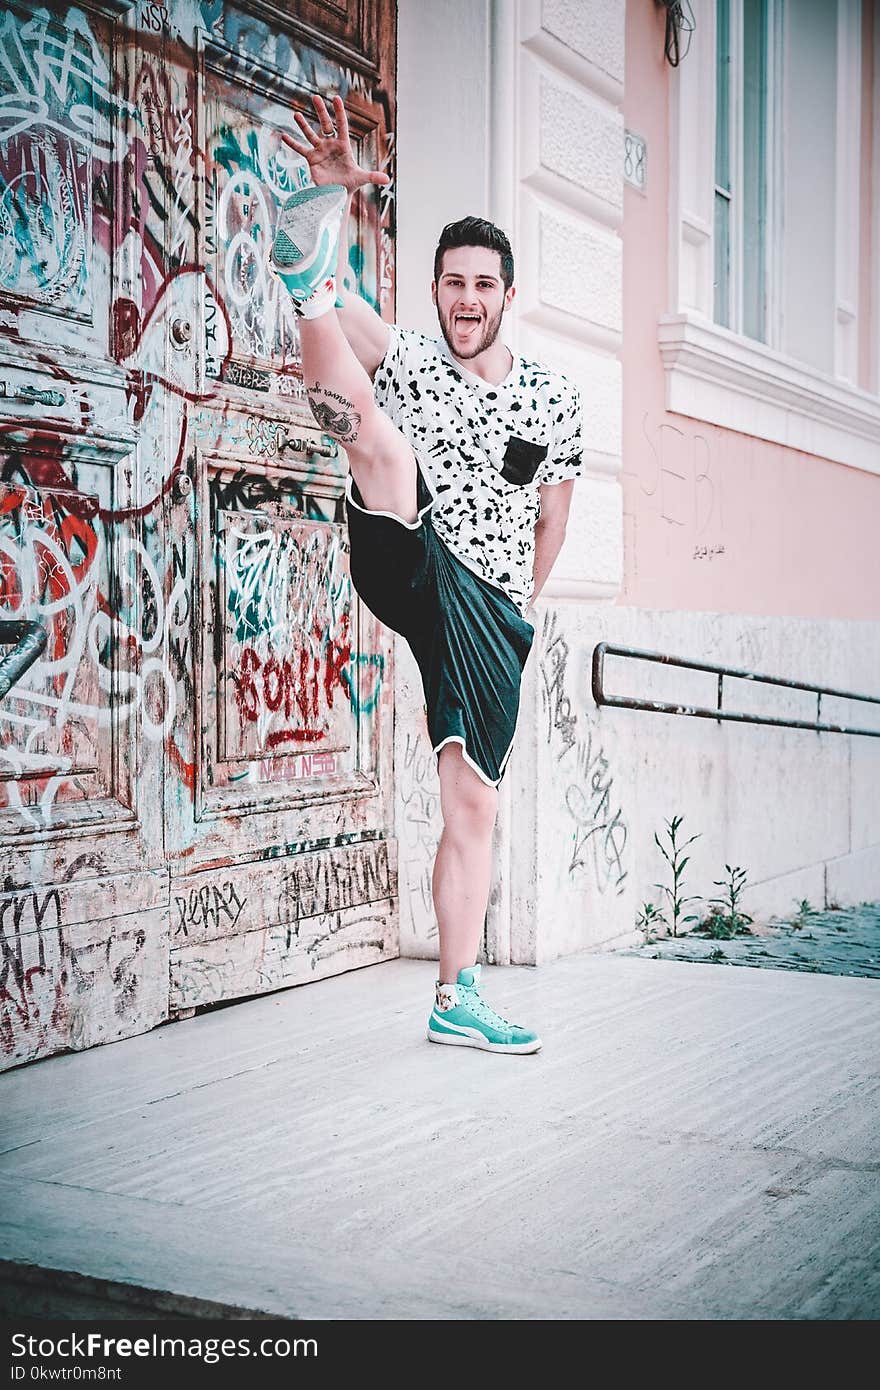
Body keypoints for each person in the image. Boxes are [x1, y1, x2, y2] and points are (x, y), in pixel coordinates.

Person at [271, 95, 583, 1055]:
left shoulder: (554, 397)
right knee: (386, 455)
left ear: (506, 294)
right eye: (451, 282)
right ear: (439, 288)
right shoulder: (412, 356)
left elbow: (555, 511)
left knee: (473, 803)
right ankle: (302, 278)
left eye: (482, 285)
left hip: (490, 609)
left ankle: (456, 996)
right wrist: (325, 205)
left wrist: (519, 602)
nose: (465, 300)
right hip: (410, 557)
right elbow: (378, 328)